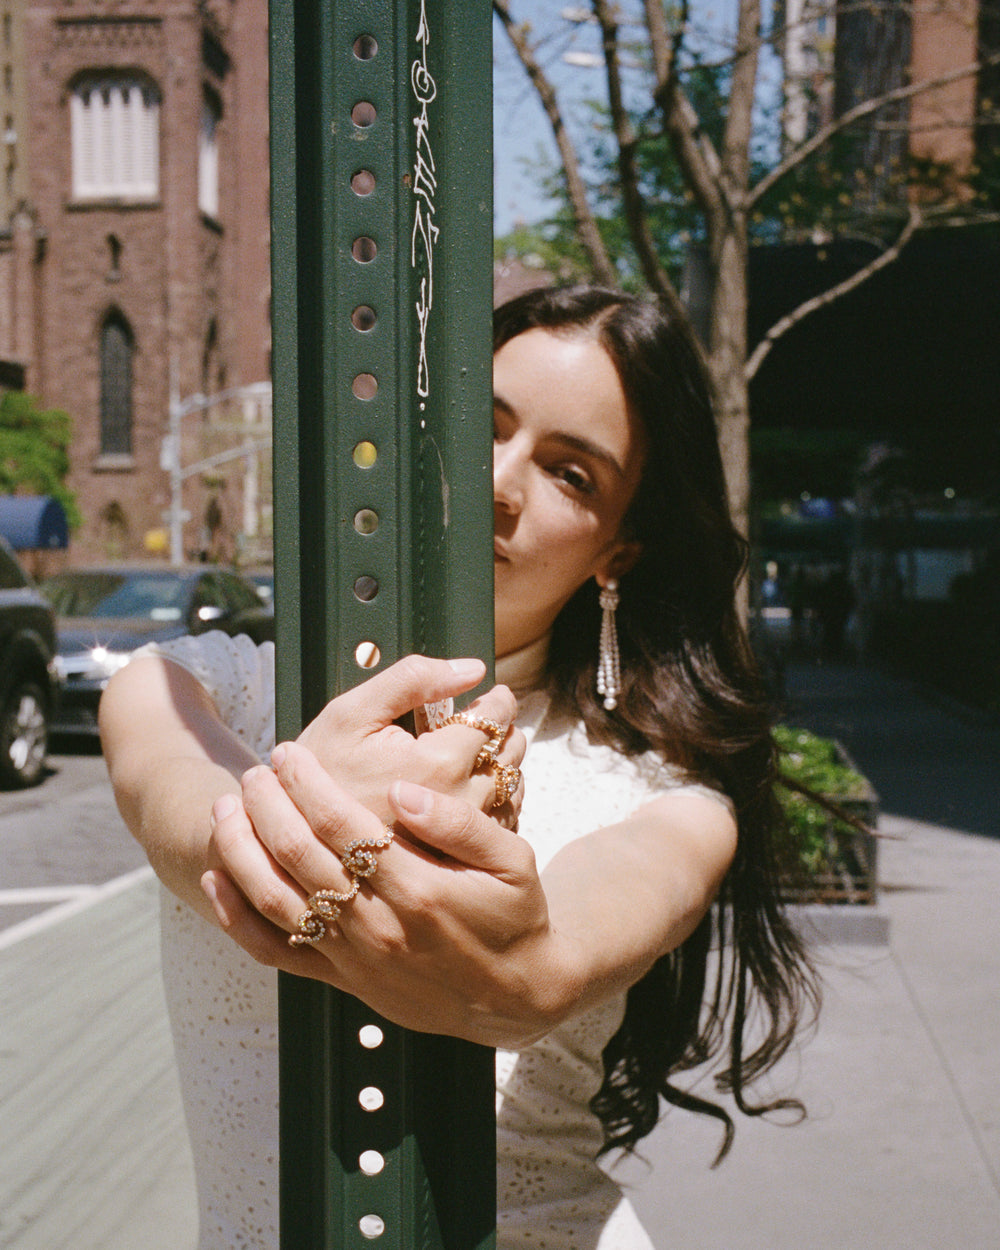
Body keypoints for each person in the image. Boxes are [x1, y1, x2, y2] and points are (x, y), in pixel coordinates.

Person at [100, 285, 818, 1250]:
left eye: (571, 473)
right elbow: (178, 807)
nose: (501, 482)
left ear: (618, 551)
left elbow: (539, 970)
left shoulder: (672, 807)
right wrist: (288, 815)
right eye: (485, 425)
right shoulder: (190, 690)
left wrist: (515, 962)